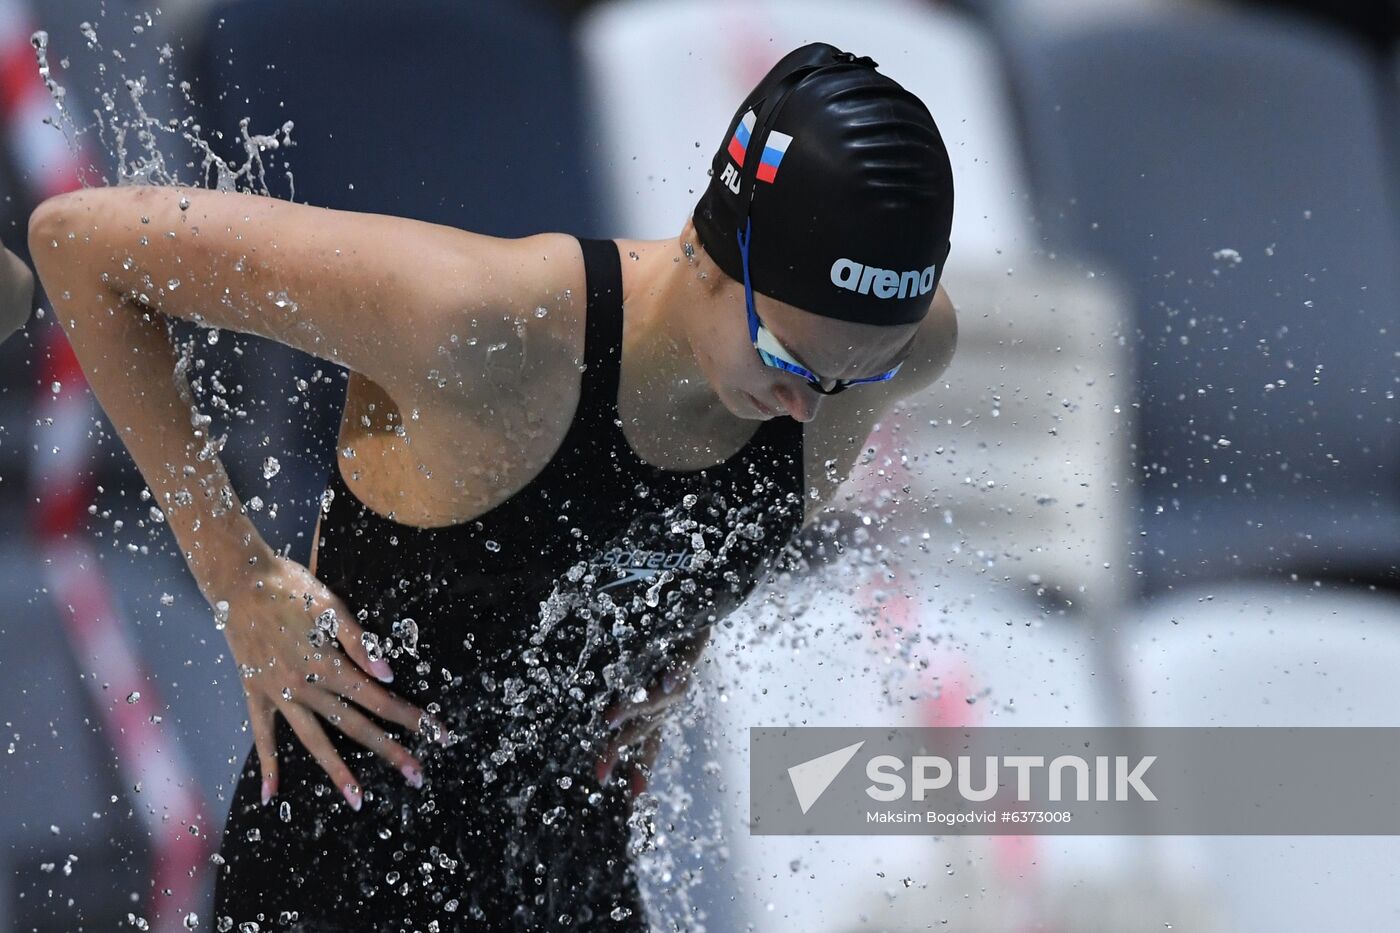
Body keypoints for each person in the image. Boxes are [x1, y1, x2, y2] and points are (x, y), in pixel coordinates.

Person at [28, 41, 956, 932]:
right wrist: (236, 577)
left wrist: (668, 640)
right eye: (787, 356)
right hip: (345, 879)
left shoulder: (879, 351)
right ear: (715, 250)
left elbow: (662, 538)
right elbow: (79, 245)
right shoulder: (482, 326)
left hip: (571, 879)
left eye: (857, 373)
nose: (807, 404)